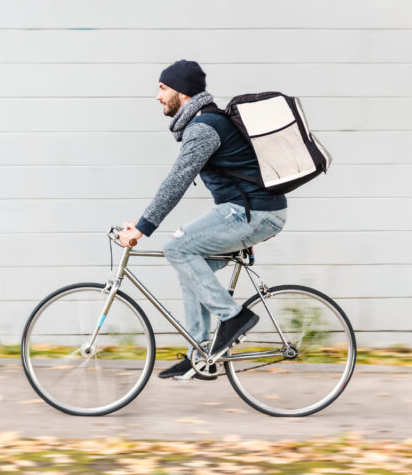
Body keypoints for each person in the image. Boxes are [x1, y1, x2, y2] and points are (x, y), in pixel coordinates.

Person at [117, 60, 288, 380]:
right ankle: (203, 352)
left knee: (177, 248)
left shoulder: (203, 127)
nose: (157, 96)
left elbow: (177, 180)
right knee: (190, 266)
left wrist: (142, 227)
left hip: (253, 212)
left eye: (162, 88)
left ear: (181, 93)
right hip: (249, 211)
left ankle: (233, 318)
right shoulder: (205, 122)